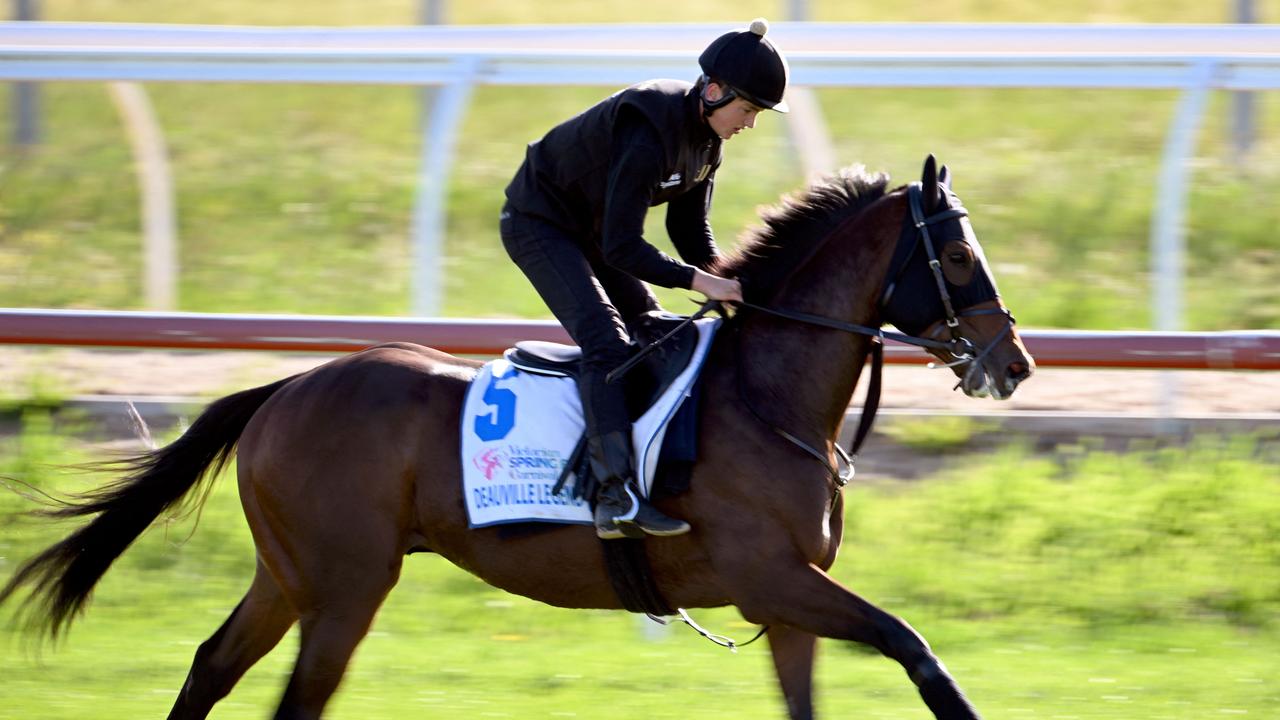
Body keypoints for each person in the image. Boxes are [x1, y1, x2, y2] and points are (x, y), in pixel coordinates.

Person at [500, 19, 789, 540]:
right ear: (714, 91)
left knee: (654, 330)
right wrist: (702, 284)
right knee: (607, 343)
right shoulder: (648, 129)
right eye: (747, 110)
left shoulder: (707, 144)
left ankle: (651, 466)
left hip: (593, 229)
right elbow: (622, 247)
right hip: (539, 224)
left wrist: (733, 284)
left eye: (757, 115)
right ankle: (613, 498)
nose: (749, 123)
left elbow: (689, 228)